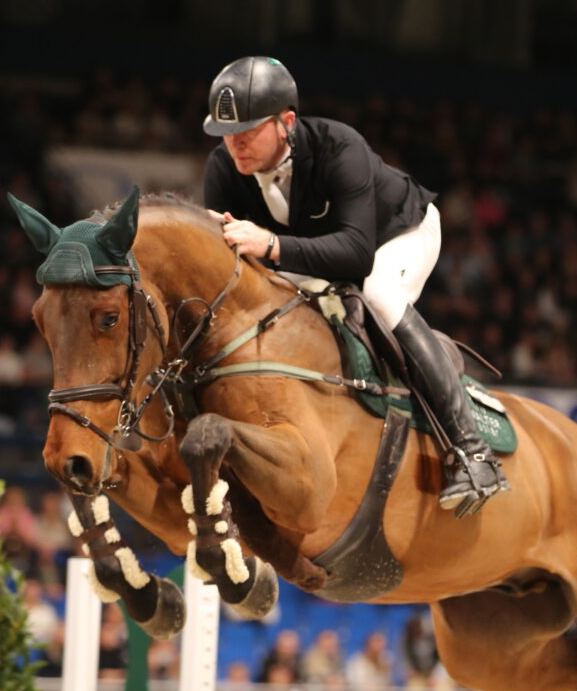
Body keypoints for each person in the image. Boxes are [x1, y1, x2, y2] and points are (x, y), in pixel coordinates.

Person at [202, 56, 508, 517]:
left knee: (382, 296)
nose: (234, 143)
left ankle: (473, 453)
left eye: (247, 130)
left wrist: (268, 243)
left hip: (396, 234)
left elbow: (356, 255)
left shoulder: (339, 146)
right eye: (226, 133)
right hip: (309, 249)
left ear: (287, 122)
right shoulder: (224, 167)